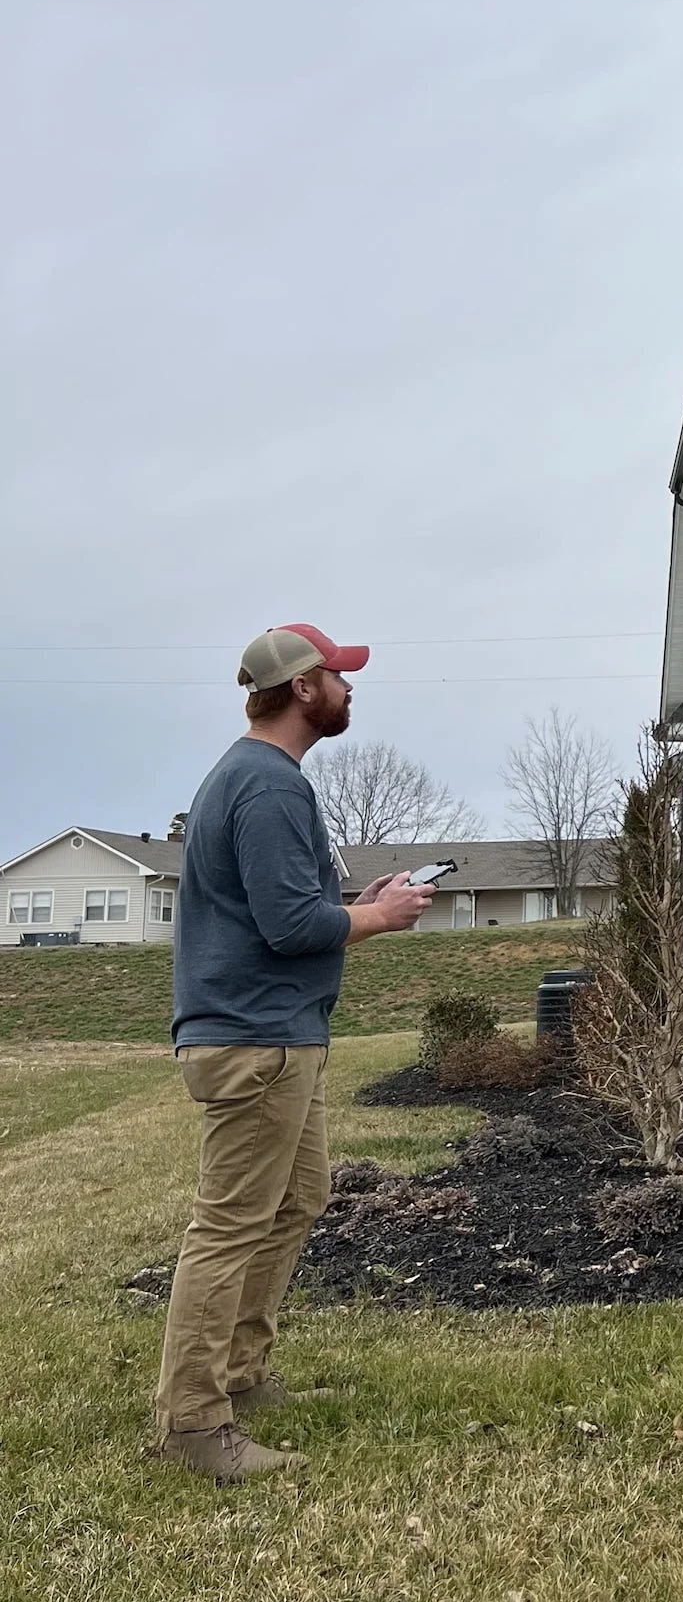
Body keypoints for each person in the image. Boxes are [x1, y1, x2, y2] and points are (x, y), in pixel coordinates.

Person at [151, 625, 433, 1483]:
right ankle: (193, 1421)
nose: (350, 687)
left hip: (277, 1033)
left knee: (299, 1198)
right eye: (339, 675)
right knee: (229, 1224)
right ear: (304, 688)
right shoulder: (269, 784)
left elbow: (284, 908)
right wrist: (378, 917)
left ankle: (241, 1373)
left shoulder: (255, 778)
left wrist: (356, 901)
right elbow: (288, 927)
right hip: (256, 1040)